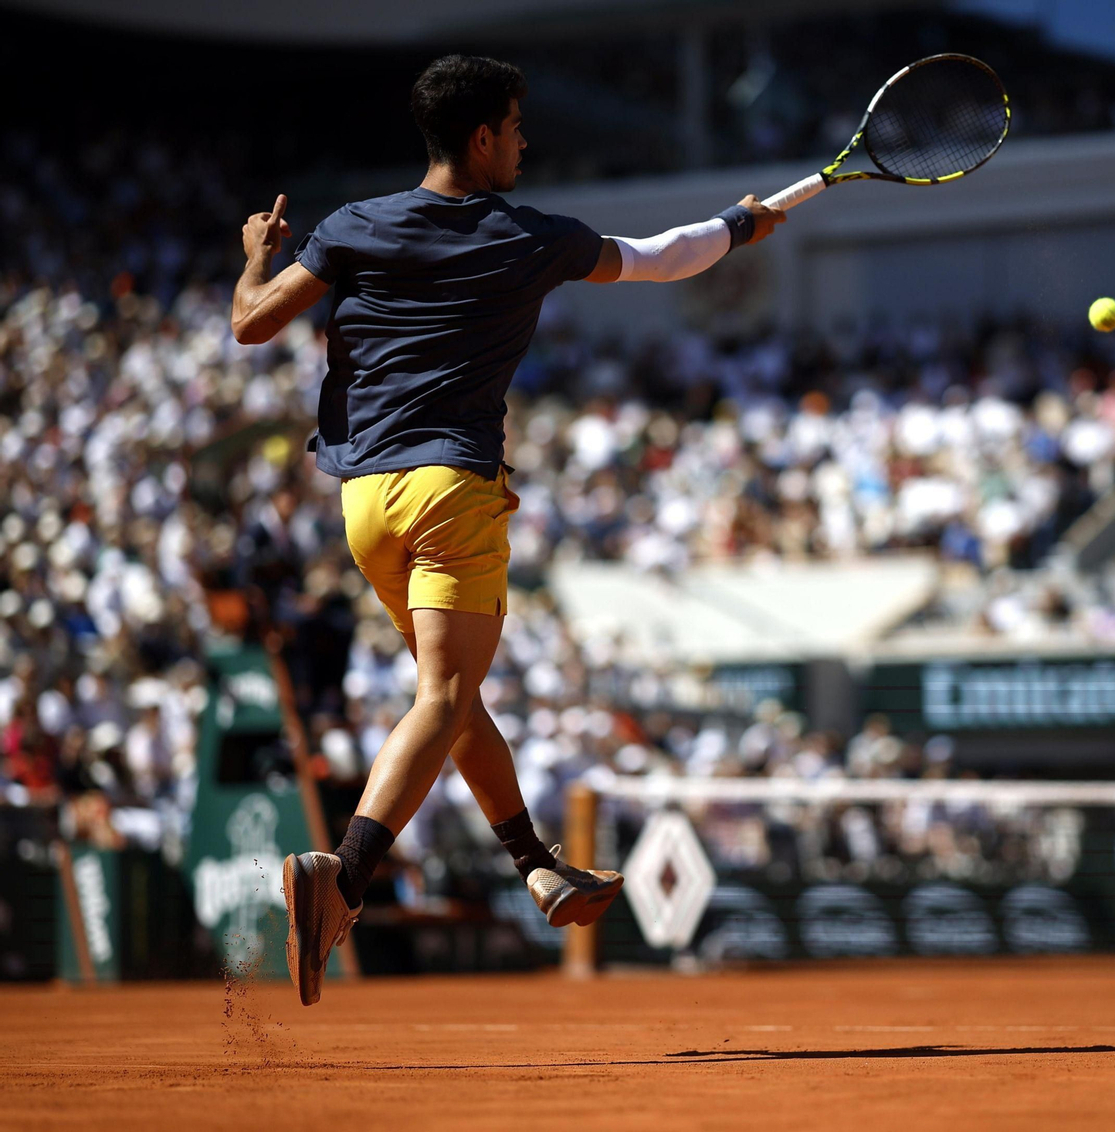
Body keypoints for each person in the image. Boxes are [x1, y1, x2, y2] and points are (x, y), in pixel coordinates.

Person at [230, 54, 785, 1006]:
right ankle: (345, 877)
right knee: (446, 694)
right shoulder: (532, 235)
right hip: (452, 488)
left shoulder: (352, 224)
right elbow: (660, 257)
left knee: (445, 696)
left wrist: (257, 252)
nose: (527, 142)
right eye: (518, 127)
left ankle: (537, 865)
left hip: (365, 502)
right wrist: (740, 227)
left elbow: (249, 322)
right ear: (482, 137)